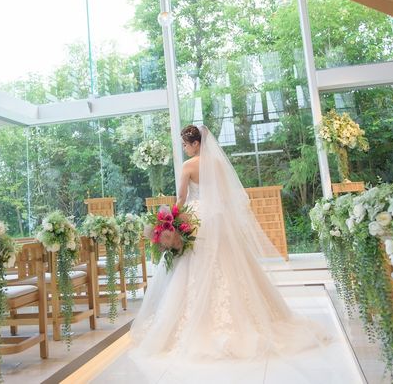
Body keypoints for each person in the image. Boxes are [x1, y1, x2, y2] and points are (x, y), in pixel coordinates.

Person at [130, 124, 328, 360]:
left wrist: (170, 220)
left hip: (196, 218)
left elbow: (181, 198)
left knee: (192, 265)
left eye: (185, 144)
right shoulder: (217, 163)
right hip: (218, 217)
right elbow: (225, 195)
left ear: (196, 143)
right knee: (229, 262)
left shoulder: (188, 166)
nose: (184, 148)